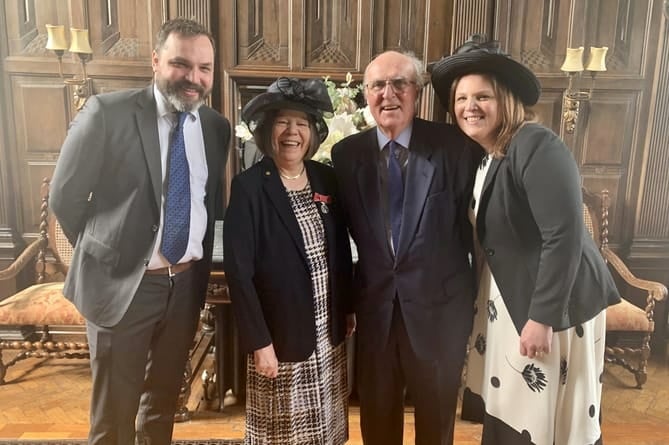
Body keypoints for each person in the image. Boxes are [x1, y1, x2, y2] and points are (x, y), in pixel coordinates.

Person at [429, 35, 621, 444]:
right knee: (512, 409)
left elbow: (564, 236)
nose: (469, 107)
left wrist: (542, 318)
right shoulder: (491, 154)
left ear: (507, 100)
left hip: (554, 307)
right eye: (461, 99)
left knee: (545, 419)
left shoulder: (536, 144)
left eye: (482, 96)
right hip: (513, 299)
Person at [49, 18, 230, 445]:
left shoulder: (214, 127)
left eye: (204, 68)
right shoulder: (107, 113)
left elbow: (209, 205)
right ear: (155, 60)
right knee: (114, 415)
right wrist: (112, 256)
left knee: (162, 405)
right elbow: (66, 199)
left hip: (184, 288)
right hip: (125, 287)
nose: (194, 78)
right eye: (181, 64)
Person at [331, 51, 476, 445]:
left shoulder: (456, 147)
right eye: (378, 85)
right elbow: (339, 241)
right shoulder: (346, 156)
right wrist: (344, 305)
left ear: (418, 92)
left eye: (400, 83)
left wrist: (475, 308)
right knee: (377, 423)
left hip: (440, 316)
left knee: (436, 424)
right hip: (375, 315)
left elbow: (477, 237)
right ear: (365, 93)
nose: (388, 93)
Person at [223, 77, 355, 445]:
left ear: (313, 133)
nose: (292, 132)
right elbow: (239, 272)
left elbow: (339, 251)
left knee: (324, 429)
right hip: (279, 337)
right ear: (268, 130)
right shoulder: (249, 187)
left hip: (326, 332)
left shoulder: (325, 178)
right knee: (283, 433)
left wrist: (346, 309)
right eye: (283, 121)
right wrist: (259, 343)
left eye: (301, 123)